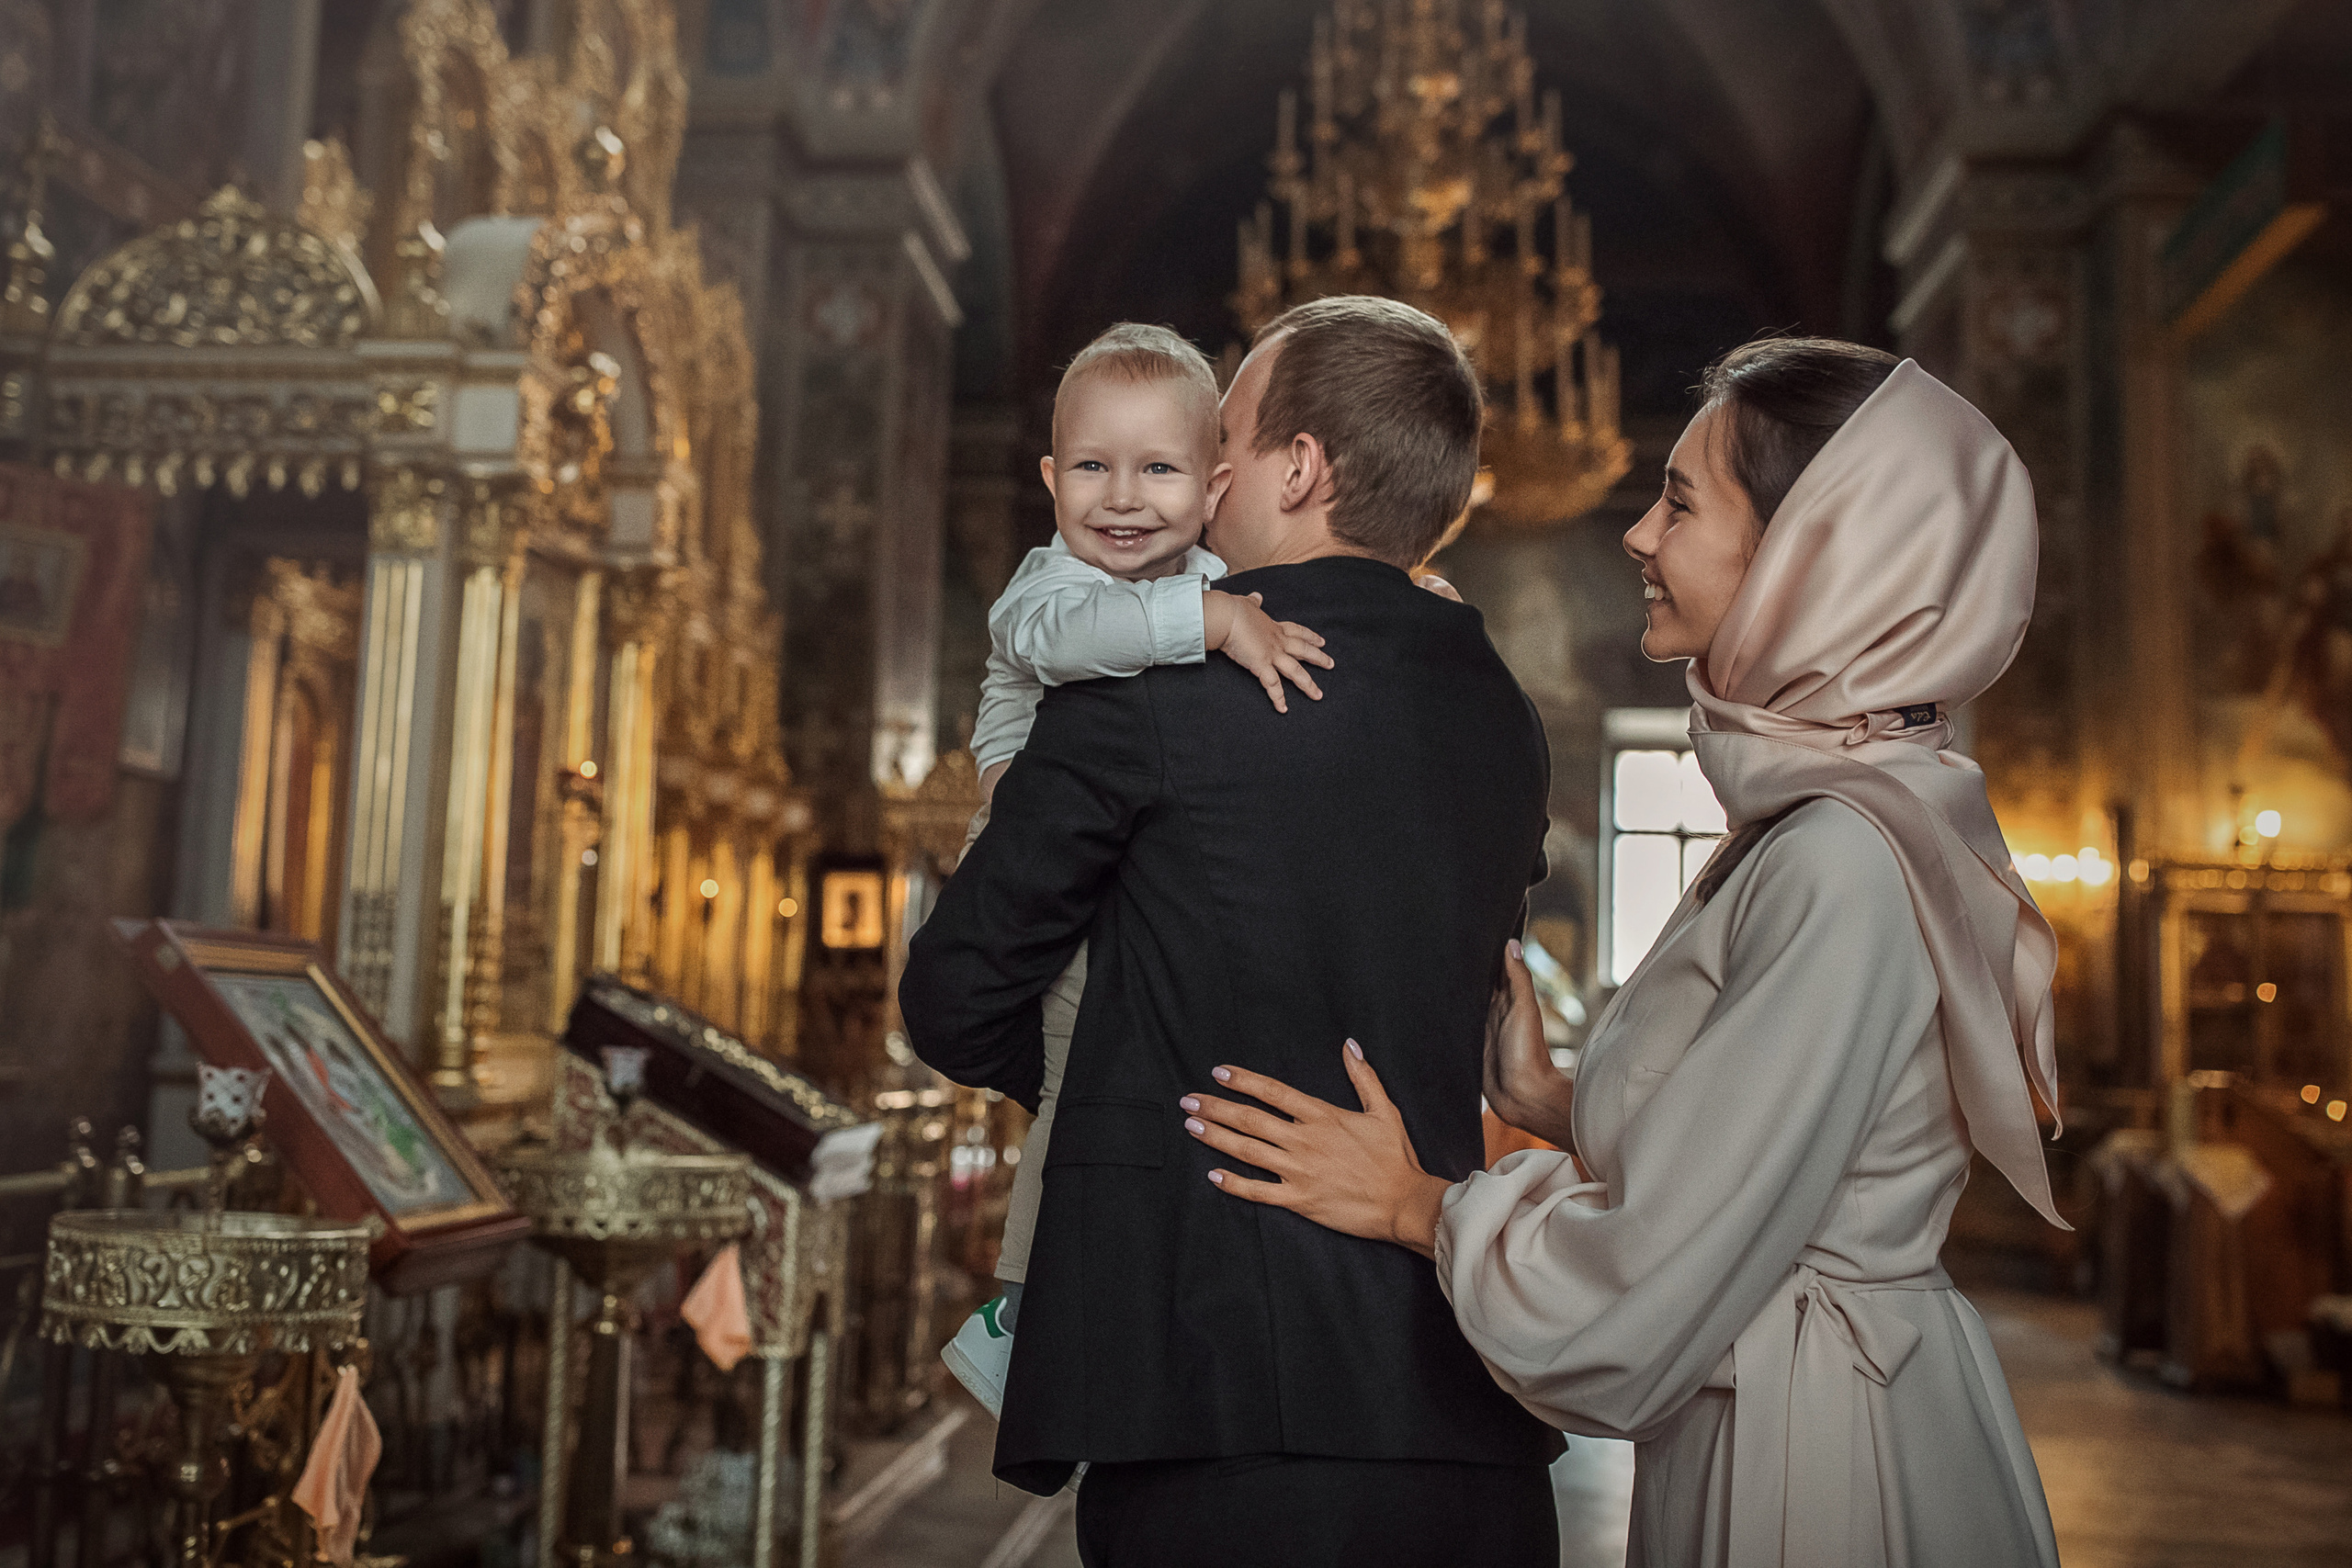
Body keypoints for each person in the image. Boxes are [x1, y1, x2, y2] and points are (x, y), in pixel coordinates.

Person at [1182, 339, 2069, 1568]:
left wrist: (1416, 1201)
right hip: (1781, 1400)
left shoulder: (1843, 858)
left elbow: (1648, 1280)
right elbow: (1773, 1156)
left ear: (1816, 551)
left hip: (1821, 1453)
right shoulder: (1820, 823)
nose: (1639, 536)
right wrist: (1553, 1096)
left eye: (1684, 501)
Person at [899, 296, 1564, 1566]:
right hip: (1463, 1407)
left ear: (1299, 467)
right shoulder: (1500, 706)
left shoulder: (1151, 678)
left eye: (1228, 441)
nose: (1199, 482)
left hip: (1212, 1402)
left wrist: (1134, 1085)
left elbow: (956, 993)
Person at [939, 321, 1334, 1413]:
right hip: (1032, 861)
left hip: (1130, 864)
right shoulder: (1046, 585)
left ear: (1214, 485)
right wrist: (1205, 620)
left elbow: (1300, 614)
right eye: (1090, 468)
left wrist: (1411, 599)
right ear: (1048, 480)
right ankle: (1023, 1310)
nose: (1122, 497)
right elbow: (1072, 645)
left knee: (1147, 1069)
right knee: (1079, 1077)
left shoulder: (1218, 576)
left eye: (1157, 469)